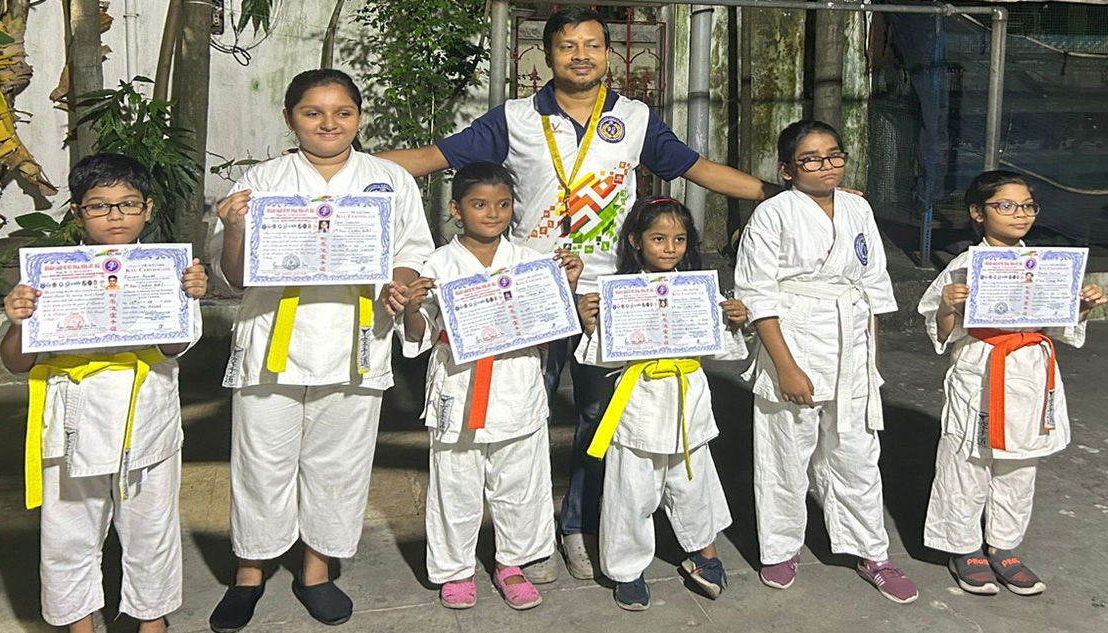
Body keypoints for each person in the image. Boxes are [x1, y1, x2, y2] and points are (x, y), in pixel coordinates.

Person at [377, 5, 781, 582]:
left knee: (602, 415)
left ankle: (576, 526)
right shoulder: (515, 117)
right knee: (522, 416)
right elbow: (431, 159)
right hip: (526, 293)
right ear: (549, 54)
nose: (581, 55)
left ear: (608, 53)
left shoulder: (636, 119)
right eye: (568, 46)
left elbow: (699, 170)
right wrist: (341, 163)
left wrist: (781, 191)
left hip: (611, 293)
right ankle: (520, 541)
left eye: (592, 45)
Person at [206, 69, 435, 631]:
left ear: (359, 117)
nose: (329, 123)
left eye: (343, 112)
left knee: (339, 464)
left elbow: (412, 250)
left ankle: (316, 569)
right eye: (313, 112)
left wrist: (398, 284)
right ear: (290, 119)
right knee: (261, 465)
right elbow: (233, 276)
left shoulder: (388, 179)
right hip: (272, 342)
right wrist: (233, 228)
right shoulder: (262, 180)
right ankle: (249, 572)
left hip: (356, 339)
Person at [0, 153, 207, 633]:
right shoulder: (47, 275)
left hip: (146, 413)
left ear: (148, 209)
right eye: (99, 206)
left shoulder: (166, 272)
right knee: (68, 533)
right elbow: (15, 361)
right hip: (71, 418)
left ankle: (151, 620)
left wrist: (186, 296)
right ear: (76, 213)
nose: (115, 216)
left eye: (128, 204)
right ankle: (79, 623)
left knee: (150, 530)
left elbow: (174, 346)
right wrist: (17, 321)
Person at [734, 120, 918, 604]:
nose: (826, 166)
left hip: (851, 344)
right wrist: (786, 368)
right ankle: (780, 546)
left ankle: (871, 550)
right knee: (784, 452)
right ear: (787, 169)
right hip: (793, 337)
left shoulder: (858, 207)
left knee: (857, 452)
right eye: (810, 159)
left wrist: (871, 363)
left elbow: (874, 289)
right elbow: (758, 298)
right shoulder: (772, 215)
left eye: (834, 155)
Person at [401, 162, 582, 610]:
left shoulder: (531, 262)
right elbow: (419, 334)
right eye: (479, 204)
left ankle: (512, 564)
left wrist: (567, 287)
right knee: (454, 483)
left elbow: (553, 328)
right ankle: (455, 569)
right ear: (457, 210)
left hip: (516, 380)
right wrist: (412, 305)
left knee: (520, 481)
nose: (492, 214)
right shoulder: (437, 263)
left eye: (503, 205)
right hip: (458, 384)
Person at [918, 170, 1106, 596]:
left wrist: (1082, 305)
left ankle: (1004, 545)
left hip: (1030, 370)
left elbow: (1059, 327)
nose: (1019, 214)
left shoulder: (1047, 264)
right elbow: (942, 330)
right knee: (968, 460)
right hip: (981, 368)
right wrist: (949, 305)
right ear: (977, 213)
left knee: (1020, 464)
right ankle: (964, 547)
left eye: (1027, 206)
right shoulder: (964, 265)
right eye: (1005, 205)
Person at [574, 197, 748, 610]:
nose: (670, 248)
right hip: (638, 404)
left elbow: (726, 351)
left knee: (694, 485)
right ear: (636, 240)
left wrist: (734, 319)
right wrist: (591, 323)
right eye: (658, 238)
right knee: (630, 492)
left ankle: (705, 553)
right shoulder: (618, 291)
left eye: (679, 239)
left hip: (687, 399)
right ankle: (626, 569)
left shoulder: (698, 291)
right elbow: (600, 356)